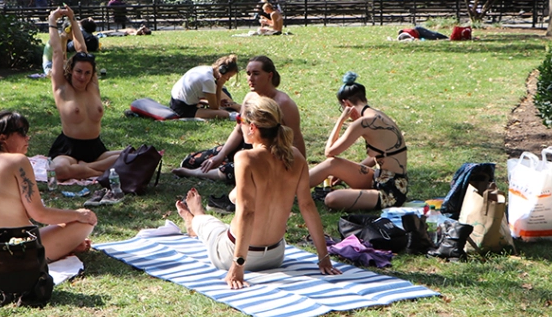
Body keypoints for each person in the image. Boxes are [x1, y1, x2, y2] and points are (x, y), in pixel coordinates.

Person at [175, 96, 339, 289]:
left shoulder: (245, 158)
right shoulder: (296, 156)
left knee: (211, 225)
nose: (239, 125)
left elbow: (247, 212)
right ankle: (203, 216)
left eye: (239, 120)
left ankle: (195, 218)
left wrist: (237, 266)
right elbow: (307, 206)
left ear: (252, 127)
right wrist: (324, 257)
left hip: (233, 255)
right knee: (232, 207)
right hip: (275, 255)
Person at [0, 110, 96, 268]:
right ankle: (64, 245)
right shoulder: (18, 161)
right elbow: (39, 214)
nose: (27, 138)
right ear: (2, 138)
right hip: (11, 252)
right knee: (85, 221)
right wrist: (77, 214)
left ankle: (63, 245)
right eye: (21, 132)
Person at [173, 55, 305, 188]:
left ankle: (197, 173)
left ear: (269, 75)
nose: (250, 78)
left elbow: (296, 139)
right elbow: (239, 130)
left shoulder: (284, 103)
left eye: (256, 74)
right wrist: (221, 155)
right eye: (248, 74)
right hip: (243, 147)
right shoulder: (249, 98)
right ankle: (206, 167)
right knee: (191, 161)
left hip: (266, 155)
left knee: (234, 170)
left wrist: (299, 173)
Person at [308, 72, 409, 211]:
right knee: (333, 164)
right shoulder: (379, 115)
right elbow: (381, 155)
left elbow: (329, 151)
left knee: (331, 199)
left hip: (390, 193)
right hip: (383, 179)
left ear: (346, 104)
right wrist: (346, 173)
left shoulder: (363, 123)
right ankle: (289, 188)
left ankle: (288, 188)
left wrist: (341, 120)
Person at [47, 6, 122, 180]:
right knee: (58, 170)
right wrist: (52, 21)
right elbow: (57, 52)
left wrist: (73, 19)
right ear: (71, 70)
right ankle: (100, 171)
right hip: (68, 150)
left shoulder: (92, 85)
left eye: (88, 73)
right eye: (78, 72)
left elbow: (82, 49)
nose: (83, 77)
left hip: (96, 150)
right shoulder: (62, 87)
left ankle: (86, 169)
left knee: (135, 155)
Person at [169, 55, 240, 120]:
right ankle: (238, 108)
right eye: (228, 76)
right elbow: (215, 108)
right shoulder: (208, 80)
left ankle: (237, 107)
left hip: (175, 101)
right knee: (224, 114)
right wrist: (219, 85)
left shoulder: (206, 69)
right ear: (222, 70)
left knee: (220, 94)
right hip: (182, 109)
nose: (227, 79)